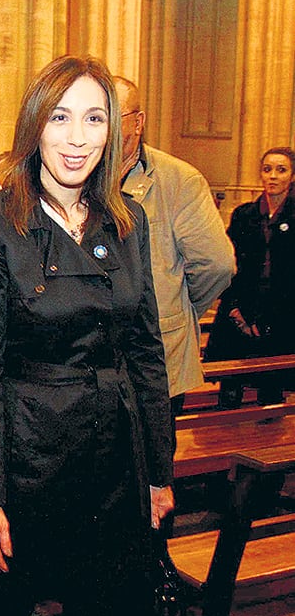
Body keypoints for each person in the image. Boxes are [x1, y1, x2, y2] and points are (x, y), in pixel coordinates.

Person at [0, 55, 174, 616]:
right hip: (24, 463)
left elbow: (144, 350)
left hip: (115, 460)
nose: (76, 138)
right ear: (35, 126)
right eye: (60, 118)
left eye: (94, 120)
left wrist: (159, 471)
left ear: (114, 131)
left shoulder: (128, 221)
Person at [116, 76, 234, 415]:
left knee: (152, 465)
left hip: (155, 362)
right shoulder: (77, 175)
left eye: (115, 115)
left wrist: (177, 308)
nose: (104, 126)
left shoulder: (179, 181)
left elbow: (217, 265)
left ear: (138, 122)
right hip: (88, 369)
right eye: (96, 115)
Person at [205, 146, 295, 407]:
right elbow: (230, 264)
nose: (273, 176)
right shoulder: (244, 215)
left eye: (281, 170)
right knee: (229, 386)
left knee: (272, 391)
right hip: (241, 307)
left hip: (282, 311)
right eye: (267, 169)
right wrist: (235, 308)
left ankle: (267, 445)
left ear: (292, 175)